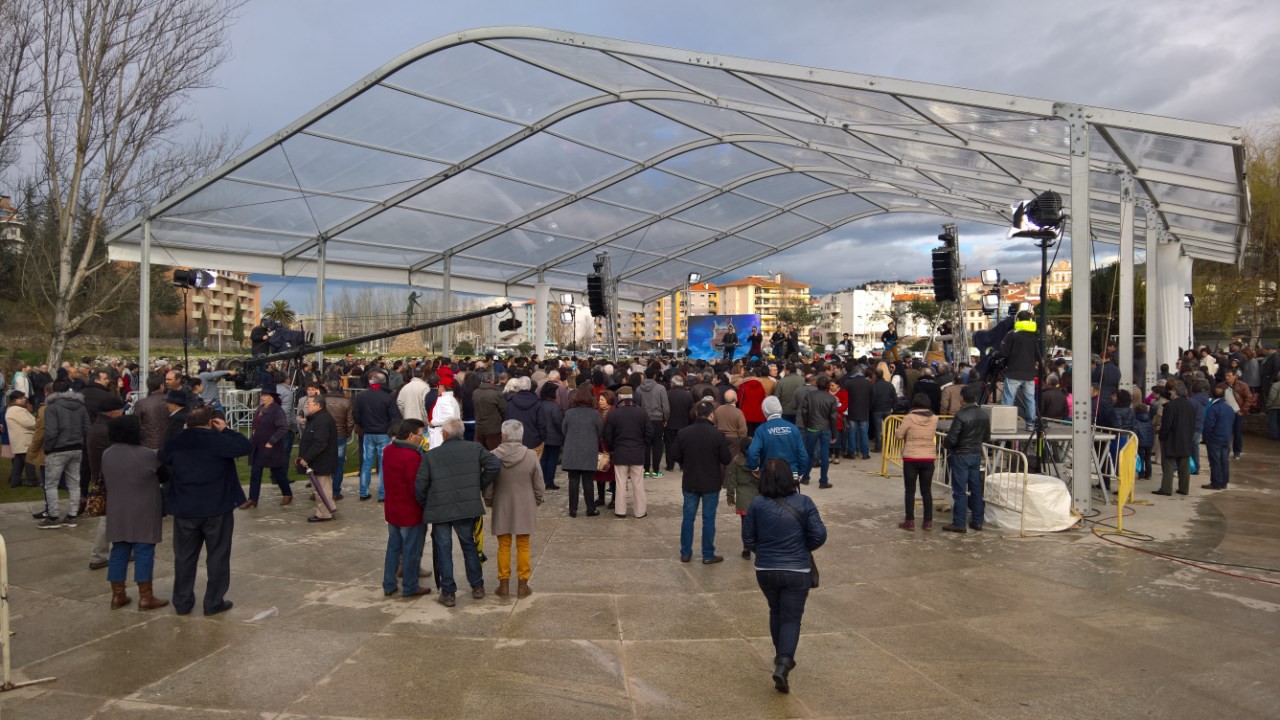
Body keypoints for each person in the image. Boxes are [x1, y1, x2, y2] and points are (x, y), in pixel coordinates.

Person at [744, 458, 827, 694]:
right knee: (791, 617)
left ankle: (780, 655)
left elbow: (748, 539)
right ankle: (784, 661)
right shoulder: (804, 502)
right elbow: (819, 535)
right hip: (797, 570)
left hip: (766, 570)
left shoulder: (757, 504)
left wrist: (766, 553)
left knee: (776, 611)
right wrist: (802, 548)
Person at [160, 406, 251, 616]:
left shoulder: (177, 441)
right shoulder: (218, 440)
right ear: (210, 422)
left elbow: (163, 456)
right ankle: (213, 601)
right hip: (216, 507)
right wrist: (226, 430)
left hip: (185, 508)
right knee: (218, 555)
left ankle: (182, 602)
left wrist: (184, 432)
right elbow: (244, 445)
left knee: (184, 557)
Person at [416, 417, 499, 607]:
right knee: (469, 545)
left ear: (444, 434)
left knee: (443, 550)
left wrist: (426, 503)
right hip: (465, 507)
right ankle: (477, 586)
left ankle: (448, 592)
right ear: (461, 433)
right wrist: (478, 485)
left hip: (440, 508)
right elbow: (494, 465)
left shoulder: (431, 455)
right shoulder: (474, 448)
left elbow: (420, 485)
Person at [100, 416, 169, 611]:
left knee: (119, 551)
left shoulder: (107, 454)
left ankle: (117, 594)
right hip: (144, 508)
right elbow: (164, 475)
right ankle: (146, 596)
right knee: (144, 551)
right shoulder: (147, 454)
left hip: (117, 508)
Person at [486, 420, 544, 598]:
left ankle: (503, 585)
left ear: (504, 435)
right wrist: (538, 499)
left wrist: (489, 499)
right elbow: (539, 483)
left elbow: (488, 482)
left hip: (502, 502)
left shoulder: (493, 455)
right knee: (523, 544)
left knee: (503, 545)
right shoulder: (531, 455)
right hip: (525, 503)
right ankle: (522, 585)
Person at [670, 402, 732, 564]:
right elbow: (726, 458)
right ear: (711, 415)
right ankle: (707, 554)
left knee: (688, 518)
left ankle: (685, 552)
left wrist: (686, 461)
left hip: (690, 480)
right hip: (711, 481)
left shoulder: (684, 433)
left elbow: (674, 454)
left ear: (697, 413)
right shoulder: (717, 435)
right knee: (708, 519)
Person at [381, 419, 431, 598]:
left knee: (393, 548)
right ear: (411, 436)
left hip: (393, 509)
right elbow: (417, 487)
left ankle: (389, 584)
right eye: (421, 434)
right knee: (411, 551)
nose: (423, 437)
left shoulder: (389, 450)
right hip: (410, 512)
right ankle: (410, 586)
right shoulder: (412, 457)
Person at [38, 380, 90, 529]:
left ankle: (53, 517)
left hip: (57, 449)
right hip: (76, 448)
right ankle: (72, 515)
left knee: (51, 484)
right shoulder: (80, 406)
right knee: (74, 484)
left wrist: (47, 448)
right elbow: (87, 427)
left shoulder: (52, 408)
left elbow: (51, 432)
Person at [942, 384, 990, 533]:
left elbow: (952, 439)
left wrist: (947, 445)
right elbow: (987, 437)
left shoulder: (961, 415)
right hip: (975, 454)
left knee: (960, 490)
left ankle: (959, 522)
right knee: (975, 489)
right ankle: (977, 521)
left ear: (962, 398)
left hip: (961, 455)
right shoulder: (983, 414)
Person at [86, 396, 125, 569]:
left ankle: (116, 550)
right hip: (109, 478)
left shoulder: (99, 426)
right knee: (108, 518)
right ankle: (98, 555)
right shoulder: (107, 429)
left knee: (115, 516)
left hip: (104, 476)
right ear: (114, 412)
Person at [604, 386, 651, 518]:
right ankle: (640, 511)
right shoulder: (642, 413)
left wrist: (614, 447)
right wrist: (643, 446)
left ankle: (620, 511)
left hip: (620, 453)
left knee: (620, 483)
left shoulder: (614, 413)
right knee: (638, 484)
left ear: (619, 398)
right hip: (637, 452)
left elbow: (608, 435)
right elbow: (649, 433)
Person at [355, 371, 401, 501]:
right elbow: (394, 417)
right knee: (382, 465)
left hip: (369, 433)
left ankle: (363, 492)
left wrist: (363, 426)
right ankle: (382, 494)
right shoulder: (387, 397)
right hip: (383, 433)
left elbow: (356, 415)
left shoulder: (361, 396)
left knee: (367, 463)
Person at [895, 394, 938, 531]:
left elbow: (899, 435)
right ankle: (928, 521)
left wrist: (898, 431)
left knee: (910, 491)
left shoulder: (909, 418)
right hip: (928, 458)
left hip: (911, 458)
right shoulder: (934, 418)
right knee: (926, 491)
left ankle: (909, 521)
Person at [242, 390, 290, 510]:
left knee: (277, 473)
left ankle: (287, 493)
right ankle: (252, 498)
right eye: (262, 395)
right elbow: (256, 427)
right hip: (258, 447)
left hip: (271, 448)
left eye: (266, 396)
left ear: (272, 397)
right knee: (255, 472)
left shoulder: (277, 411)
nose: (263, 398)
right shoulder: (260, 409)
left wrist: (271, 441)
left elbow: (283, 428)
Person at [561, 385, 603, 517]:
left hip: (572, 451)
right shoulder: (595, 414)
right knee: (588, 482)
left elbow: (564, 430)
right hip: (589, 450)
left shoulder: (568, 413)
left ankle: (573, 510)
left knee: (573, 482)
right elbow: (599, 431)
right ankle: (591, 508)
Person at [297, 394, 339, 522]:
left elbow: (320, 443)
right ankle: (328, 508)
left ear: (318, 405)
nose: (307, 406)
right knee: (320, 488)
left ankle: (324, 513)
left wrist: (306, 458)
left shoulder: (323, 420)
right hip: (319, 461)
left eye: (309, 404)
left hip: (322, 461)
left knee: (322, 489)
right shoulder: (317, 418)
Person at [746, 396, 808, 478]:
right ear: (780, 409)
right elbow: (802, 454)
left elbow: (753, 452)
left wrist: (754, 468)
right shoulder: (793, 428)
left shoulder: (761, 430)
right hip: (791, 473)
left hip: (769, 474)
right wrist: (800, 472)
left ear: (764, 410)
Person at [999, 310, 1040, 431]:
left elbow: (1003, 352)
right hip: (1029, 374)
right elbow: (1038, 354)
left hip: (1013, 372)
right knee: (1030, 400)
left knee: (1008, 399)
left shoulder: (1012, 334)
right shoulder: (1033, 336)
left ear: (1017, 320)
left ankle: (1005, 425)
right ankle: (1030, 425)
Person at [1154, 382, 1196, 497]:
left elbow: (1166, 425)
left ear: (1176, 393)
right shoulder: (1191, 405)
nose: (1170, 393)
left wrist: (1162, 437)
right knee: (1184, 466)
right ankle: (1184, 488)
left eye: (1172, 392)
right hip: (1186, 439)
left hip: (1171, 439)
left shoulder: (1170, 406)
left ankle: (1166, 488)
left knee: (1168, 465)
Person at [727, 436, 759, 559]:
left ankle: (746, 549)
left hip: (742, 496)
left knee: (745, 524)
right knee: (759, 523)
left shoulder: (736, 461)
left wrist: (730, 495)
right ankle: (759, 546)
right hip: (757, 495)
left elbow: (732, 480)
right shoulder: (759, 460)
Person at [635, 369, 670, 478]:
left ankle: (645, 470)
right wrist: (666, 418)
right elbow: (665, 406)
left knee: (645, 445)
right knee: (657, 445)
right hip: (658, 420)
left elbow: (637, 406)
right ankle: (655, 470)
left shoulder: (638, 389)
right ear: (654, 375)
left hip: (644, 420)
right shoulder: (661, 388)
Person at [1202, 383, 1235, 490]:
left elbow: (1208, 425)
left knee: (1215, 461)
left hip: (1215, 439)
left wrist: (1206, 438)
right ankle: (1224, 482)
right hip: (1226, 438)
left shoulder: (1213, 408)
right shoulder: (1229, 408)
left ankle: (1216, 482)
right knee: (1224, 461)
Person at [505, 377, 546, 458]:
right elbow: (541, 424)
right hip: (533, 441)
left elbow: (506, 422)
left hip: (515, 441)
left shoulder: (510, 402)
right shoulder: (537, 403)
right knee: (533, 467)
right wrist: (542, 438)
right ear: (530, 386)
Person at [5, 391, 38, 487]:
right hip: (24, 440)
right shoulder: (17, 410)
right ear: (15, 400)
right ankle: (31, 480)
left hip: (19, 440)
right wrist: (38, 423)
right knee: (29, 461)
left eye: (24, 397)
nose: (24, 399)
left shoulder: (12, 409)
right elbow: (29, 423)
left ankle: (15, 481)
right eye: (21, 398)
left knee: (18, 462)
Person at [536, 382, 564, 490]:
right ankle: (549, 481)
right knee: (552, 459)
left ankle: (542, 480)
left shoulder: (539, 404)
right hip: (554, 437)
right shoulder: (554, 406)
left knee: (543, 458)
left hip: (542, 436)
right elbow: (558, 421)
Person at [1220, 368, 1252, 461]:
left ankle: (1237, 452)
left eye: (1229, 376)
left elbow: (1249, 398)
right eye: (1226, 376)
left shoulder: (1242, 385)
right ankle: (1226, 452)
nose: (1227, 378)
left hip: (1238, 413)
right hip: (1226, 414)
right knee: (1226, 433)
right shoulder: (1222, 386)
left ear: (1234, 376)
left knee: (1237, 433)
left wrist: (1243, 411)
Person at [664, 375, 693, 473]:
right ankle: (683, 465)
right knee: (683, 446)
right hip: (684, 424)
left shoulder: (667, 394)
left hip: (670, 424)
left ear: (673, 383)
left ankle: (670, 465)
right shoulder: (688, 395)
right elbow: (690, 410)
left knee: (669, 445)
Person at [428, 378, 461, 450]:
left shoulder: (444, 399)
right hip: (445, 432)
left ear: (443, 387)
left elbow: (448, 417)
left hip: (441, 433)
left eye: (439, 386)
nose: (437, 388)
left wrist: (433, 422)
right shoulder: (450, 398)